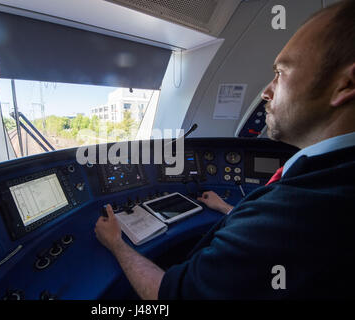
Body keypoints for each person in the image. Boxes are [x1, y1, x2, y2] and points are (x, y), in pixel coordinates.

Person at [95, 0, 355, 299]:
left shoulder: (300, 211)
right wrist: (226, 208)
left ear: (345, 84)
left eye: (281, 73)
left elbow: (170, 295)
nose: (266, 92)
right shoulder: (326, 181)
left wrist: (117, 243)